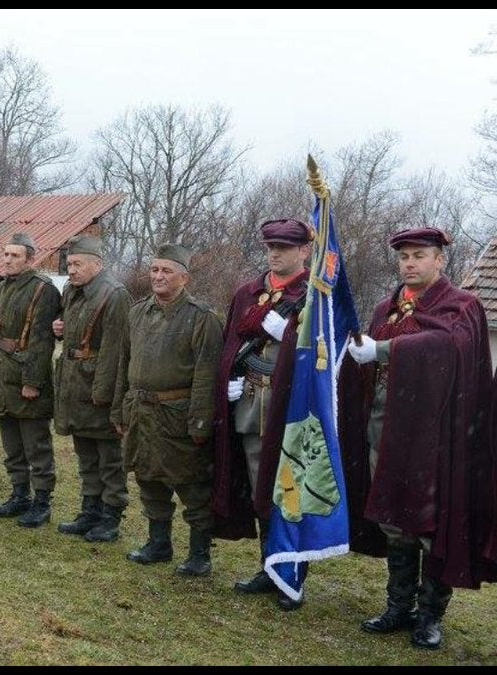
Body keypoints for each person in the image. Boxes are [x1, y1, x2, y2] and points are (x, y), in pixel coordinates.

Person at [342, 227, 497, 650]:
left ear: (440, 260)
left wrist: (387, 351)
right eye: (404, 257)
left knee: (431, 523)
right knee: (395, 521)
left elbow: (449, 345)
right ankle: (397, 607)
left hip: (434, 437)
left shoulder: (461, 306)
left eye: (419, 256)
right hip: (384, 428)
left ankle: (429, 616)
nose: (409, 263)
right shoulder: (384, 308)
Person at [212, 219, 313, 610]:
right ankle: (269, 567)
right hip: (252, 400)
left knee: (290, 490)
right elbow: (231, 344)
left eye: (285, 247)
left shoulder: (314, 296)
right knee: (260, 489)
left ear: (305, 251)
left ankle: (292, 576)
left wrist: (288, 335)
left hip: (290, 407)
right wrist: (230, 378)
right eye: (271, 245)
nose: (275, 253)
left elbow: (323, 356)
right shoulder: (248, 293)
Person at [116, 243, 224, 577]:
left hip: (177, 415)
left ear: (184, 277)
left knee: (191, 484)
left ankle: (199, 554)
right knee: (148, 477)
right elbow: (125, 362)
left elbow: (207, 374)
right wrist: (120, 409)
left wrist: (200, 422)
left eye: (166, 271)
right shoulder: (137, 311)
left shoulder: (201, 318)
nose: (158, 277)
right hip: (140, 411)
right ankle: (158, 544)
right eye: (154, 270)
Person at [52, 235, 131, 543]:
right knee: (86, 454)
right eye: (69, 264)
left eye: (77, 264)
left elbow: (115, 351)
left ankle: (111, 516)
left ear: (97, 265)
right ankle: (90, 510)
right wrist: (59, 329)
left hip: (99, 386)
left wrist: (106, 396)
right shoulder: (72, 292)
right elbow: (73, 334)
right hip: (75, 381)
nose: (71, 270)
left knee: (109, 457)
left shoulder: (114, 295)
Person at [0, 233, 62, 528]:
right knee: (12, 442)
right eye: (6, 254)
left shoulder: (44, 290)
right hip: (3, 373)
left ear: (30, 259)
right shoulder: (2, 287)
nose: (8, 260)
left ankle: (41, 502)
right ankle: (19, 494)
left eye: (15, 256)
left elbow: (42, 341)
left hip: (27, 375)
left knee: (36, 445)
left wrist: (33, 382)